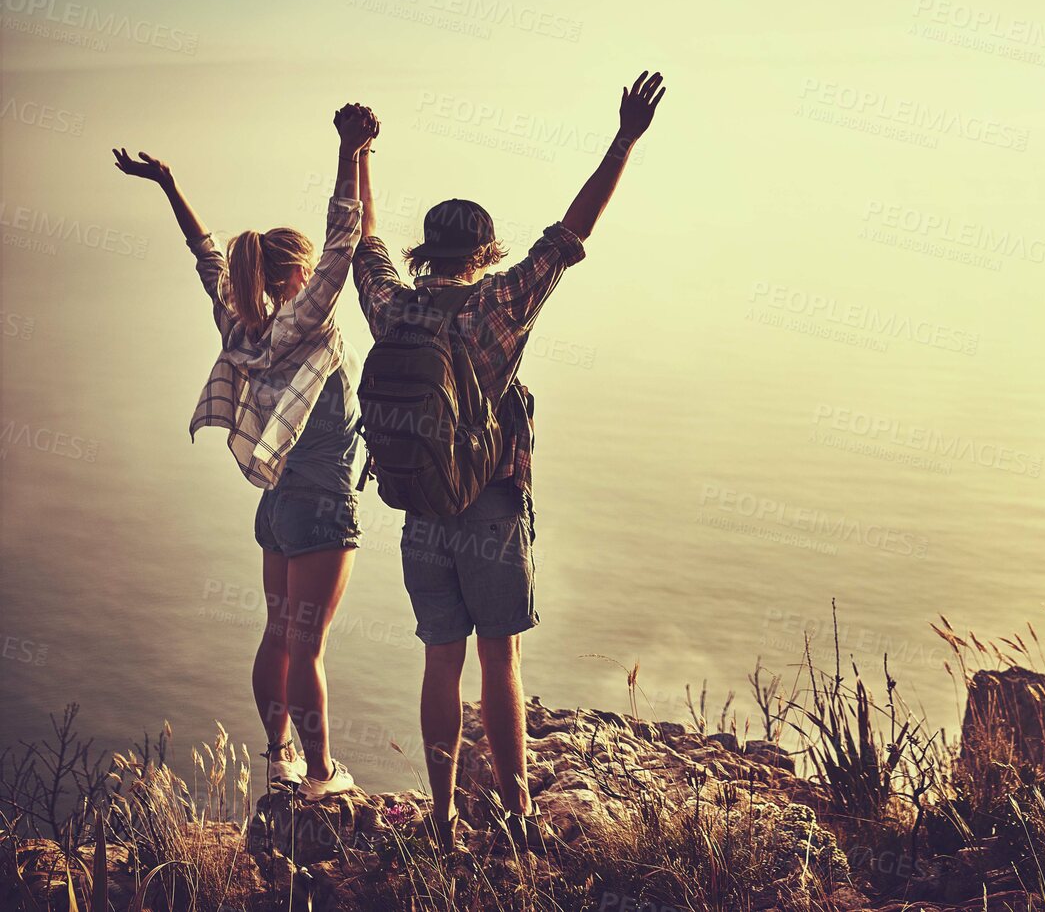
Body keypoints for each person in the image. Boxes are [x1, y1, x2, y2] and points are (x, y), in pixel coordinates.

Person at [352, 71, 666, 850]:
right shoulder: (503, 301)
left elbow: (363, 241)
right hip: (489, 508)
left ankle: (442, 815)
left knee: (439, 663)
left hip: (419, 510)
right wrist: (623, 138)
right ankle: (521, 814)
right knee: (501, 663)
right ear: (484, 251)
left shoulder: (393, 305)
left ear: (427, 251)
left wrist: (355, 152)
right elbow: (571, 231)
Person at [112, 104, 379, 800]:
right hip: (323, 505)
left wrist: (169, 184)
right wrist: (350, 150)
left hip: (276, 506)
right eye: (311, 273)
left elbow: (206, 256)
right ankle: (321, 775)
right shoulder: (300, 318)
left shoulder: (238, 320)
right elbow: (345, 239)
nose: (320, 277)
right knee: (310, 646)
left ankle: (276, 755)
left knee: (277, 635)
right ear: (296, 278)